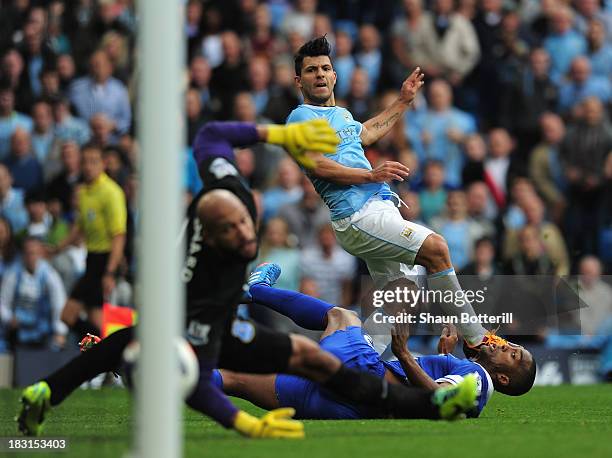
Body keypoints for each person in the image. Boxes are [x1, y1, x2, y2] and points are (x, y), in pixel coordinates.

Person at [18, 119, 477, 438]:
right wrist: (246, 426)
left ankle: (64, 384)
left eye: (244, 221)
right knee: (261, 360)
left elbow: (212, 135)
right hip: (220, 323)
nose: (244, 230)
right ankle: (249, 295)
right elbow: (196, 388)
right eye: (234, 229)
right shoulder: (203, 281)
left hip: (243, 337)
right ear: (214, 239)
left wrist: (281, 135)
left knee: (298, 353)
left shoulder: (228, 186)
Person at [286, 36, 508, 351]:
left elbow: (369, 131)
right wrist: (370, 175)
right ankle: (477, 340)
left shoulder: (343, 116)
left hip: (378, 207)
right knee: (436, 248)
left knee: (400, 296)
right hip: (356, 214)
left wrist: (403, 100)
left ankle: (356, 367)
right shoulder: (300, 117)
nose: (319, 74)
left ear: (335, 76)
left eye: (325, 68)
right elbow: (316, 165)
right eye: (311, 70)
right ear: (299, 80)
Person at [214, 263, 536, 419]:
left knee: (342, 315)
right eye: (512, 346)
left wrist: (405, 355)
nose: (506, 346)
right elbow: (442, 390)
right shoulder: (471, 376)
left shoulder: (481, 380)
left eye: (513, 355)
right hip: (347, 407)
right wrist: (443, 356)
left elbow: (440, 398)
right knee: (236, 380)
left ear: (504, 377)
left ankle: (257, 290)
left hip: (364, 374)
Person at [53, 144, 127, 337]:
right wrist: (57, 248)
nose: (88, 166)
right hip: (92, 258)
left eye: (93, 161)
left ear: (103, 164)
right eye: (84, 161)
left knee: (68, 314)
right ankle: (101, 354)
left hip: (105, 259)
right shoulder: (84, 192)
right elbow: (79, 227)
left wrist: (110, 272)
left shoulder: (112, 192)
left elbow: (118, 235)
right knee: (95, 320)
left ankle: (104, 352)